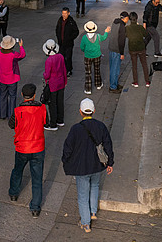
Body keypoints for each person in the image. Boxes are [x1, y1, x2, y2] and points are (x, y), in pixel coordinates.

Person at [61, 98, 114, 233]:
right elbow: (108, 145)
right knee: (95, 186)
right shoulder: (101, 126)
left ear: (80, 112)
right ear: (94, 111)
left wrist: (66, 161)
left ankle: (86, 223)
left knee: (82, 196)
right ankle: (93, 212)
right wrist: (110, 162)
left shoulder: (75, 129)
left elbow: (67, 149)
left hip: (82, 168)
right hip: (97, 165)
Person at [8, 83, 47, 217]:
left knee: (17, 170)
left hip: (22, 148)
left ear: (22, 95)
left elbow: (11, 125)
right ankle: (35, 208)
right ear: (34, 95)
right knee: (37, 178)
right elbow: (46, 122)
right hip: (38, 147)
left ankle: (13, 193)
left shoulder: (17, 111)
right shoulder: (42, 109)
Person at [0, 35, 25, 119]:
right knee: (12, 96)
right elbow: (22, 55)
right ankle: (11, 115)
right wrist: (21, 47)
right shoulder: (13, 55)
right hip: (12, 78)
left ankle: (2, 114)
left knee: (2, 95)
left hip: (2, 78)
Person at [80, 21, 111, 94]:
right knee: (97, 70)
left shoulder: (84, 37)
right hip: (97, 55)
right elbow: (104, 37)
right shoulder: (98, 36)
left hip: (87, 56)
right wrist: (106, 32)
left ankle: (88, 89)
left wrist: (85, 51)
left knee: (88, 73)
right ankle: (98, 84)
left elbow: (82, 47)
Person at [42, 39, 67, 129]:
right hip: (61, 82)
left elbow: (47, 75)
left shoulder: (49, 60)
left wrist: (44, 75)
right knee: (60, 102)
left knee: (52, 104)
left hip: (52, 84)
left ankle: (53, 124)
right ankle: (60, 120)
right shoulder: (60, 56)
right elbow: (64, 69)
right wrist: (65, 81)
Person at [125, 12, 149, 87]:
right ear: (137, 19)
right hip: (141, 48)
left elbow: (126, 35)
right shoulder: (140, 27)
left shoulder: (127, 28)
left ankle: (136, 82)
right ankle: (147, 81)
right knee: (144, 64)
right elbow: (146, 34)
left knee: (134, 65)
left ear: (129, 19)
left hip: (132, 48)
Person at [55, 7, 80, 77]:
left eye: (65, 13)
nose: (64, 15)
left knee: (68, 57)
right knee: (61, 57)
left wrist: (70, 38)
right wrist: (58, 37)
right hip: (61, 43)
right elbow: (57, 29)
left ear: (68, 13)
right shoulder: (60, 20)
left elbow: (76, 31)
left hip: (69, 43)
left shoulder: (71, 21)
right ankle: (63, 70)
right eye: (63, 13)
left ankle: (69, 70)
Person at [108, 11, 129, 93]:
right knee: (115, 70)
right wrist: (122, 53)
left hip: (111, 48)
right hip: (117, 50)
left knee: (112, 68)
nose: (128, 20)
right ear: (125, 18)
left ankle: (115, 83)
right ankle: (113, 87)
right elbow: (121, 41)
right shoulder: (122, 26)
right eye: (127, 19)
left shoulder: (115, 22)